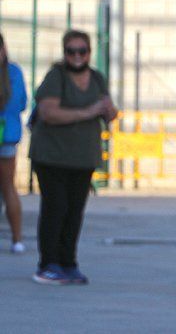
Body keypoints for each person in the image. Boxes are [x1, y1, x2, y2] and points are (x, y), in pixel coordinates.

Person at [29, 29, 117, 284]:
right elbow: (49, 113)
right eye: (71, 51)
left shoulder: (97, 78)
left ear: (89, 52)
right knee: (55, 208)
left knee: (74, 211)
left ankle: (69, 262)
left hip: (83, 157)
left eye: (82, 51)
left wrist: (109, 111)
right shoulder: (56, 77)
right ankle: (48, 263)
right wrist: (88, 111)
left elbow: (107, 112)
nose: (77, 56)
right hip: (52, 156)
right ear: (64, 52)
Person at [0, 32, 28, 254]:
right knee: (9, 188)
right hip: (7, 137)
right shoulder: (15, 72)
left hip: (7, 136)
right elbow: (21, 104)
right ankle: (17, 239)